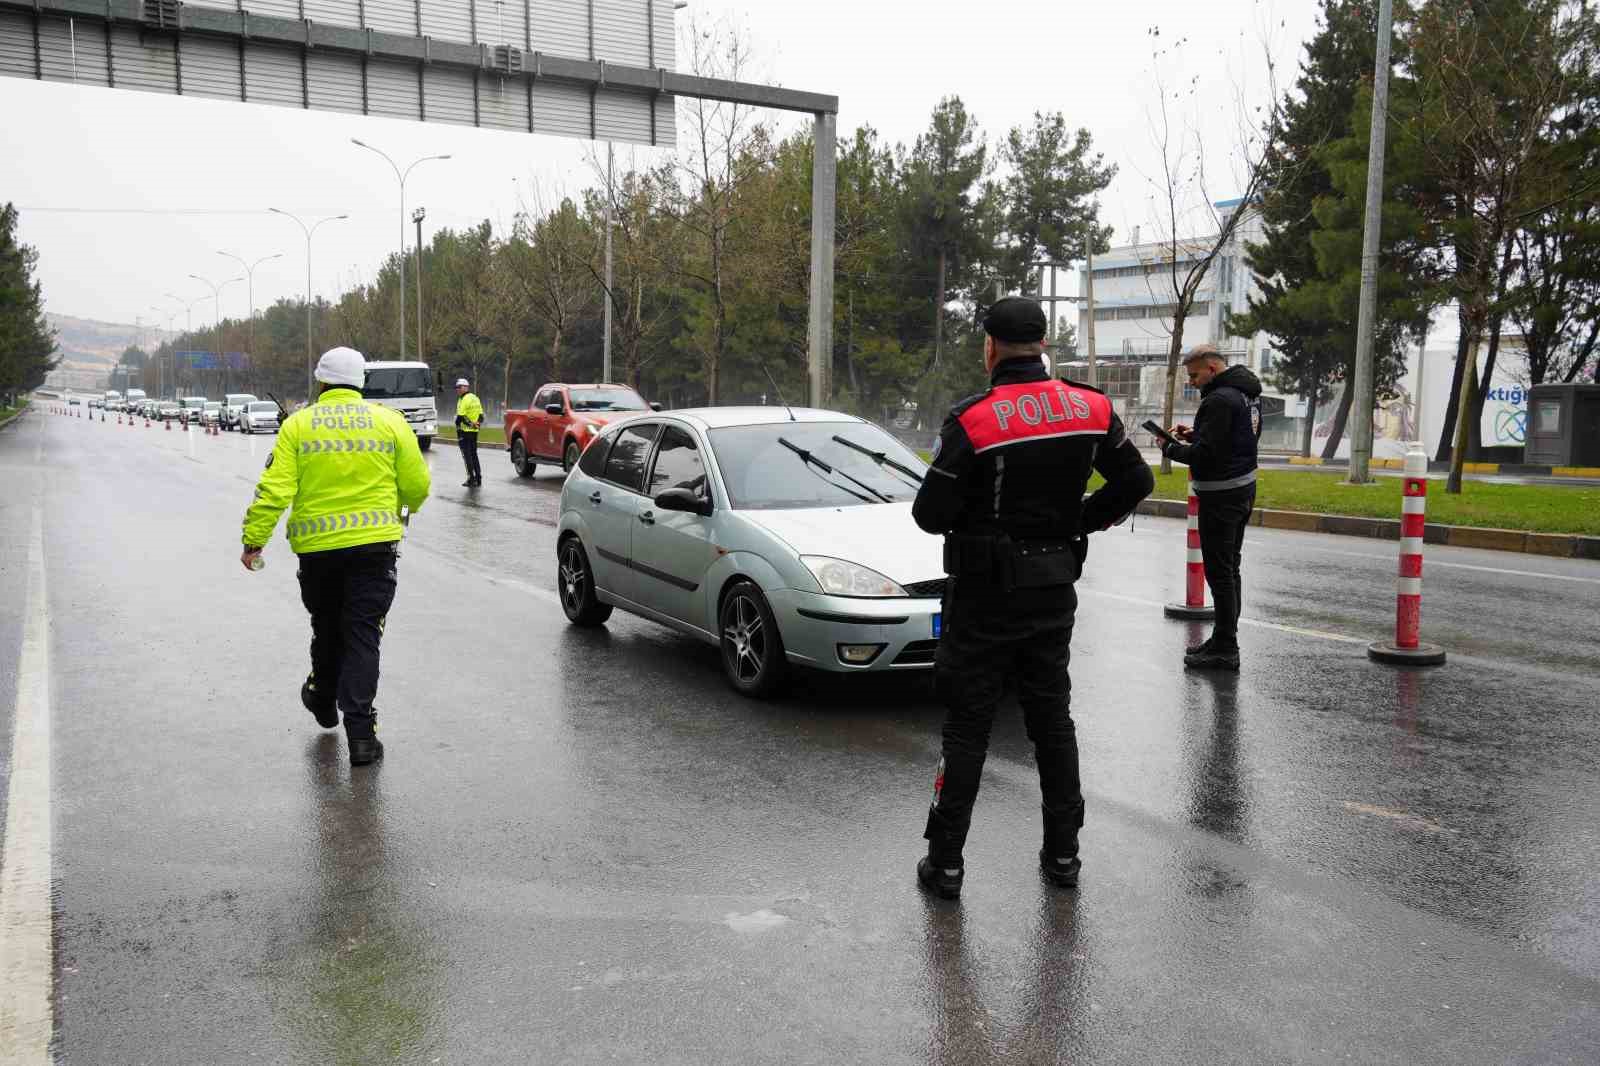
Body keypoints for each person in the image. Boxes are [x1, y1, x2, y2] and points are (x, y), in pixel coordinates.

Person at [911, 296, 1155, 900]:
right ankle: (1064, 856)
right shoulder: (1090, 407)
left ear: (989, 348)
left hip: (984, 596)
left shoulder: (975, 418)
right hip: (1053, 589)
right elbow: (1137, 479)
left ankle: (945, 863)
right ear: (1044, 344)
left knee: (969, 726)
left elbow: (929, 513)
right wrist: (1079, 521)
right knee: (1052, 720)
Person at [240, 346, 431, 766]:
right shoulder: (390, 422)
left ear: (321, 382)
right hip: (375, 551)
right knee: (363, 635)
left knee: (326, 628)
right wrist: (400, 512)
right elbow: (417, 485)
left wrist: (254, 540)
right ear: (361, 382)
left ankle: (322, 696)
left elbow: (275, 490)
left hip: (318, 556)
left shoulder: (297, 426)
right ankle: (361, 736)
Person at [1163, 343, 1264, 671]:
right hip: (1242, 489)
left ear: (1212, 369)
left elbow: (1206, 457)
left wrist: (1170, 448)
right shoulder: (1246, 394)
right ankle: (1223, 638)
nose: (1191, 382)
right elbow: (1235, 440)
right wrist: (1199, 435)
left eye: (1194, 375)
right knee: (1229, 570)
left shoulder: (1219, 399)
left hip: (1220, 496)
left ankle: (1225, 647)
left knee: (1219, 574)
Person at [454, 378, 484, 487]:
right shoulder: (476, 398)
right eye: (456, 388)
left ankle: (471, 478)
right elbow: (481, 416)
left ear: (465, 387)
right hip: (474, 432)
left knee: (467, 456)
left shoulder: (463, 399)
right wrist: (477, 424)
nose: (457, 390)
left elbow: (461, 417)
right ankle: (478, 478)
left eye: (458, 387)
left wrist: (469, 425)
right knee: (474, 455)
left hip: (464, 432)